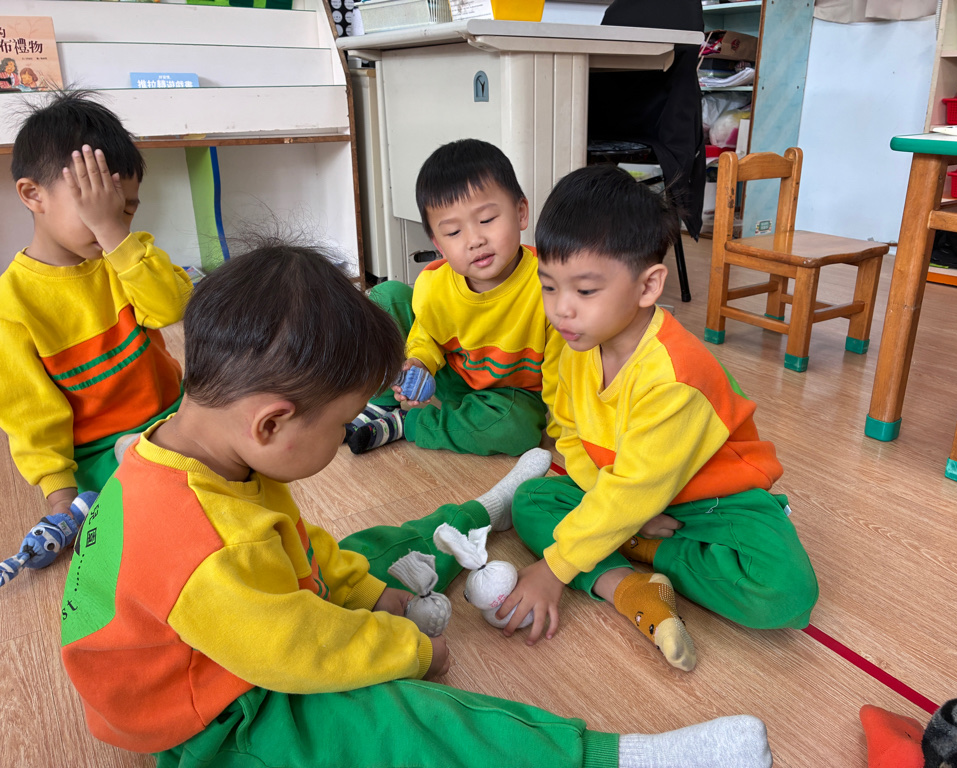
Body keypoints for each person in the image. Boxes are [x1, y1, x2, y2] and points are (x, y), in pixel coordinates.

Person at [60, 241, 774, 768]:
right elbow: (302, 649)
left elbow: (296, 545)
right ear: (272, 424)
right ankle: (618, 759)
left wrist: (373, 594)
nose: (344, 439)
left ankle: (483, 511)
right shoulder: (211, 550)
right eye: (341, 425)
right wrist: (411, 649)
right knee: (391, 723)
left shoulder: (202, 449)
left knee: (369, 551)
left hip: (242, 620)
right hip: (213, 713)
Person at [499, 165, 819, 672]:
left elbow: (636, 487)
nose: (562, 310)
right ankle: (626, 581)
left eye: (585, 291)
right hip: (628, 488)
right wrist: (615, 502)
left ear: (648, 286)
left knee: (784, 593)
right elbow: (567, 435)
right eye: (549, 286)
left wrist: (554, 568)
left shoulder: (674, 376)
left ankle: (639, 547)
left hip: (711, 500)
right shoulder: (569, 346)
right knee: (533, 500)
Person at [0, 92, 192, 526]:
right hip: (97, 451)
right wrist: (61, 500)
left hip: (175, 413)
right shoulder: (11, 307)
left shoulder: (124, 254)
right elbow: (31, 417)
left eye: (125, 211)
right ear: (33, 194)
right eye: (95, 209)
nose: (114, 224)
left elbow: (170, 307)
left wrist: (113, 233)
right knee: (136, 511)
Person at [347, 138, 565, 457]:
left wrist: (566, 432)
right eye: (453, 233)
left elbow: (563, 371)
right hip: (452, 372)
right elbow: (426, 333)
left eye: (487, 220)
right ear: (438, 244)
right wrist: (419, 362)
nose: (475, 240)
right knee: (385, 296)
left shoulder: (550, 284)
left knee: (516, 429)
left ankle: (410, 422)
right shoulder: (435, 284)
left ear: (521, 213)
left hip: (508, 393)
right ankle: (384, 401)